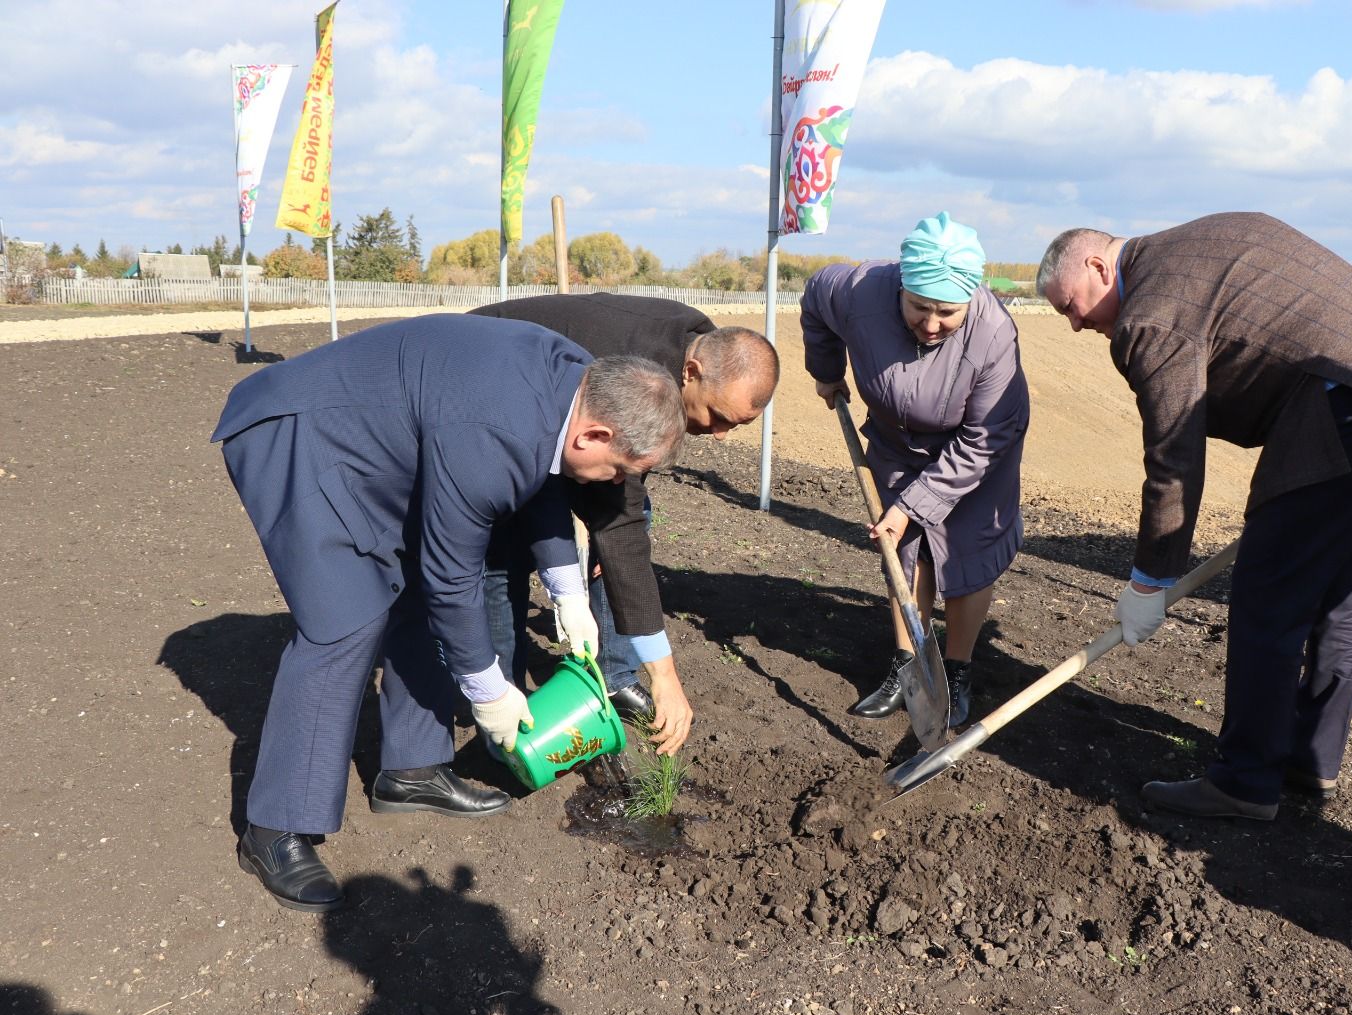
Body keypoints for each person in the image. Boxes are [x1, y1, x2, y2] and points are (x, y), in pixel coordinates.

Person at [212, 313, 685, 911]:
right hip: (301, 434)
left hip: (380, 437)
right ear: (593, 435)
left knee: (410, 598)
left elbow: (541, 481)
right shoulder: (495, 431)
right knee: (345, 621)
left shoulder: (573, 380)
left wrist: (567, 592)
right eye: (619, 470)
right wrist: (488, 691)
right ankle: (275, 825)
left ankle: (410, 772)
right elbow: (452, 576)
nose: (614, 484)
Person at [1036, 212, 1352, 820]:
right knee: (1345, 593)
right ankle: (1311, 760)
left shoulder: (1149, 314)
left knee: (1268, 595)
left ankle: (1245, 781)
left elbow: (1174, 454)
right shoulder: (1197, 241)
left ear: (1099, 266)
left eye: (1071, 305)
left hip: (1340, 412)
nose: (1075, 325)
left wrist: (1152, 579)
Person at [468, 293, 778, 733]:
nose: (723, 435)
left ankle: (613, 677)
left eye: (739, 424)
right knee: (507, 548)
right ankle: (503, 697)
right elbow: (620, 521)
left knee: (620, 534)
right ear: (692, 373)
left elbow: (622, 505)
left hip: (571, 421)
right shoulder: (643, 368)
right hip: (490, 384)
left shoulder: (707, 347)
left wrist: (607, 538)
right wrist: (665, 676)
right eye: (719, 416)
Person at [803, 211, 1030, 727]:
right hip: (896, 442)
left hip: (974, 455)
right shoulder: (858, 290)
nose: (930, 324)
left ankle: (956, 669)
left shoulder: (993, 336)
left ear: (970, 300)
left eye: (946, 312)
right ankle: (908, 666)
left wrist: (913, 506)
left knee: (968, 553)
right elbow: (815, 296)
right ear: (900, 287)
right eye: (918, 307)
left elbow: (986, 438)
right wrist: (826, 370)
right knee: (904, 551)